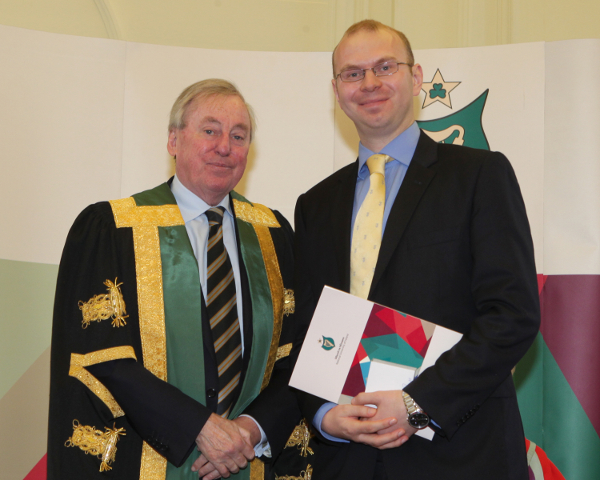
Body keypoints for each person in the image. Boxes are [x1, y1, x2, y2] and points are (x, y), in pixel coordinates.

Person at [292, 20, 540, 479]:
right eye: (352, 73)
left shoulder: (480, 175)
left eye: (385, 66)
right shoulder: (315, 205)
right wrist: (325, 414)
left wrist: (417, 404)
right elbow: (308, 330)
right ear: (336, 89)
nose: (369, 83)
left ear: (416, 76)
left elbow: (512, 314)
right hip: (350, 459)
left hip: (460, 454)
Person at [47, 79, 300, 480]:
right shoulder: (112, 229)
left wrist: (247, 432)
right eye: (210, 130)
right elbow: (103, 356)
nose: (224, 146)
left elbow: (296, 357)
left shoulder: (273, 235)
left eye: (239, 135)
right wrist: (200, 428)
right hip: (144, 461)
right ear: (173, 140)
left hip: (246, 461)